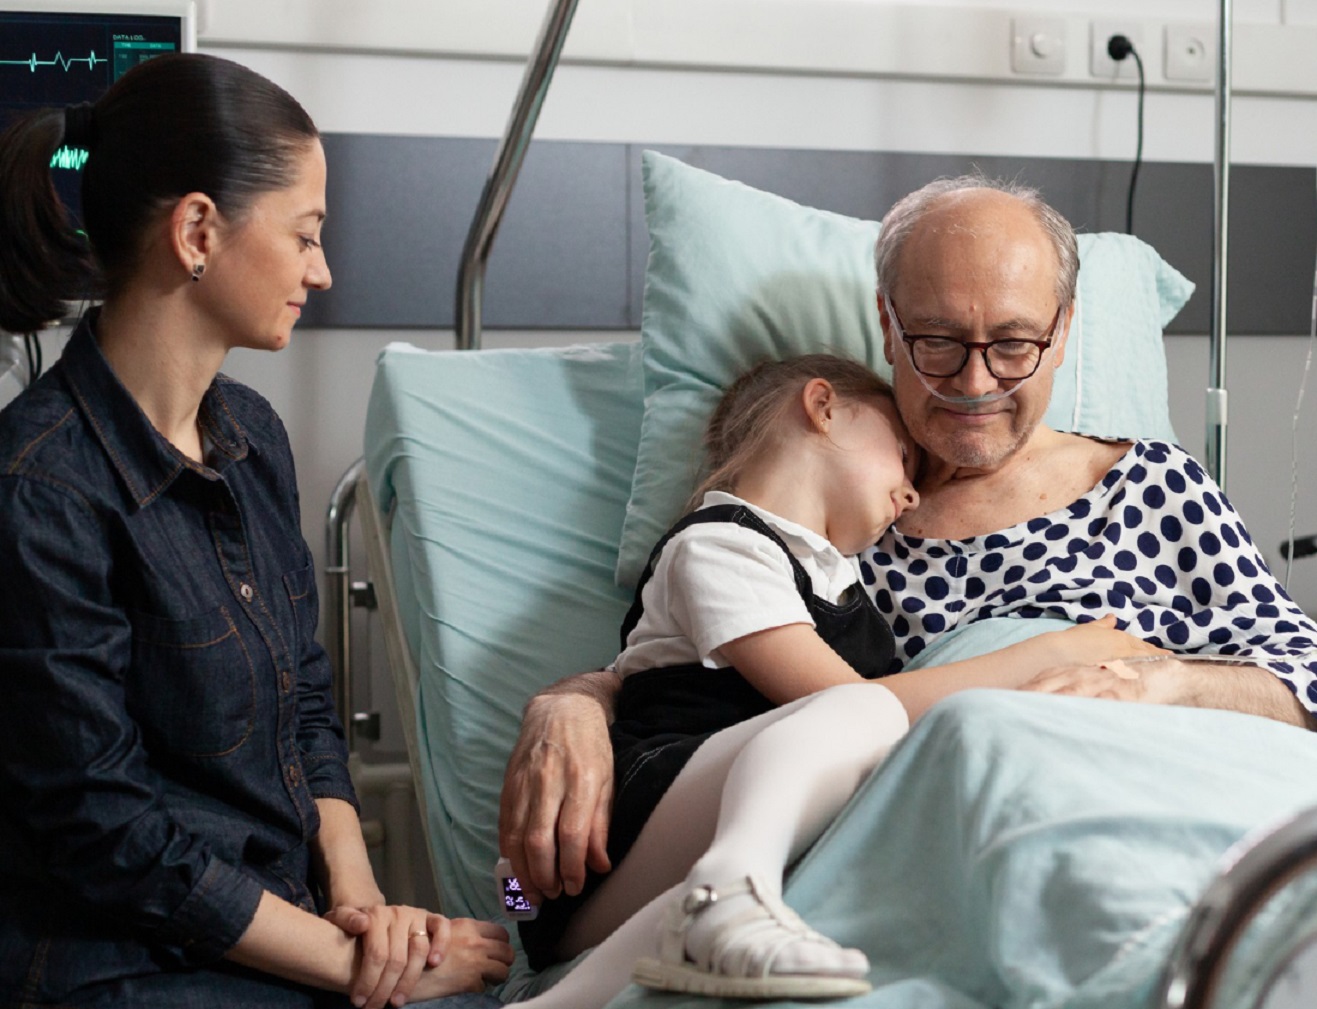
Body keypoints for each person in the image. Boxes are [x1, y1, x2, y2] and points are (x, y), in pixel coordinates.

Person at [496, 175, 1317, 986]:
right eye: (936, 343)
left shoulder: (1157, 489)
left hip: (1175, 818)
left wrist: (1159, 683)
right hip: (935, 865)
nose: (973, 383)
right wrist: (574, 700)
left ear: (1063, 332)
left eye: (1012, 343)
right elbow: (716, 674)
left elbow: (1304, 680)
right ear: (886, 325)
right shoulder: (839, 528)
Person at [0, 54, 512, 1009]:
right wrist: (362, 969)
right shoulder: (42, 489)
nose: (323, 270)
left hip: (280, 930)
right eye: (306, 234)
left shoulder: (251, 439)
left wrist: (365, 910)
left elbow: (305, 706)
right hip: (116, 962)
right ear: (197, 231)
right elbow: (106, 832)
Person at [502, 356, 1165, 1007]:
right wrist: (1050, 651)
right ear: (822, 406)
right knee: (860, 715)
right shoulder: (718, 545)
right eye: (903, 458)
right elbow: (837, 700)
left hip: (660, 868)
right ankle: (728, 887)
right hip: (591, 859)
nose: (911, 495)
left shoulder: (834, 576)